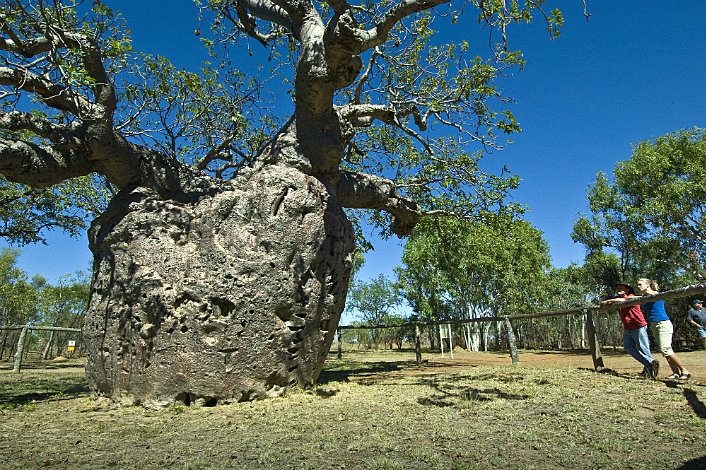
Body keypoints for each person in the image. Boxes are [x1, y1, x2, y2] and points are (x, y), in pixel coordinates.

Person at [601, 282, 659, 379]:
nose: (619, 289)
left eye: (622, 288)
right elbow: (605, 304)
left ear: (627, 290)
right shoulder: (616, 299)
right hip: (627, 327)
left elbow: (623, 300)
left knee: (644, 349)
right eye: (618, 288)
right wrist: (607, 302)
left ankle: (649, 370)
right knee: (628, 347)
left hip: (638, 326)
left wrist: (608, 301)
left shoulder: (631, 296)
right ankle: (650, 364)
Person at [636, 278, 691, 380]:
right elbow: (636, 298)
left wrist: (643, 296)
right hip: (654, 324)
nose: (638, 287)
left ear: (648, 284)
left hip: (663, 323)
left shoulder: (656, 294)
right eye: (638, 285)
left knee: (666, 348)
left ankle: (684, 371)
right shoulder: (644, 297)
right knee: (664, 349)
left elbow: (651, 295)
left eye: (640, 284)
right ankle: (675, 372)